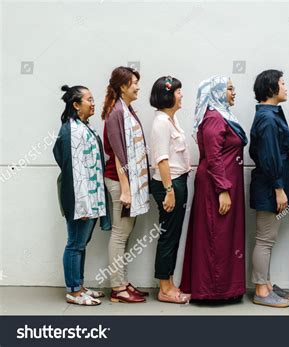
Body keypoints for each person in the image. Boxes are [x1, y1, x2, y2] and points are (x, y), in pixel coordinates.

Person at [180, 76, 247, 302]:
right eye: (229, 88)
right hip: (216, 187)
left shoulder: (221, 116)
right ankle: (213, 290)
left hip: (223, 184)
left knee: (222, 235)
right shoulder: (214, 118)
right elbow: (214, 157)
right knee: (215, 236)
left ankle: (224, 288)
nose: (233, 92)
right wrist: (223, 190)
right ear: (216, 92)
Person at [53, 84, 111, 306]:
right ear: (76, 105)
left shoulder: (84, 127)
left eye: (93, 98)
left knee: (81, 243)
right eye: (88, 99)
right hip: (80, 200)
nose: (93, 102)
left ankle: (79, 284)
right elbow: (71, 170)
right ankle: (73, 291)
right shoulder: (71, 131)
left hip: (90, 198)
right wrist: (83, 204)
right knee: (74, 244)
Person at [249, 69, 289, 308]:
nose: (286, 87)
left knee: (268, 237)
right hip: (270, 185)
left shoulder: (270, 114)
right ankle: (261, 289)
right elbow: (269, 157)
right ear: (271, 89)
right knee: (265, 239)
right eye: (282, 83)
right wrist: (279, 188)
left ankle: (267, 283)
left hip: (271, 182)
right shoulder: (268, 118)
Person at [101, 66, 150, 303]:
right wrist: (127, 190)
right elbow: (120, 157)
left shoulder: (125, 109)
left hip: (128, 182)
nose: (138, 87)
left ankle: (122, 281)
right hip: (120, 182)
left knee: (125, 234)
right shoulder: (115, 113)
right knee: (120, 235)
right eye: (134, 83)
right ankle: (117, 288)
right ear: (123, 86)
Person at [149, 76, 192, 304]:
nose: (181, 95)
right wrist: (169, 190)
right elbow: (162, 160)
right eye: (177, 92)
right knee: (168, 235)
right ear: (167, 95)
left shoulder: (171, 120)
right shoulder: (161, 123)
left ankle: (169, 282)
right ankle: (164, 288)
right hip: (169, 183)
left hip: (177, 181)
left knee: (173, 235)